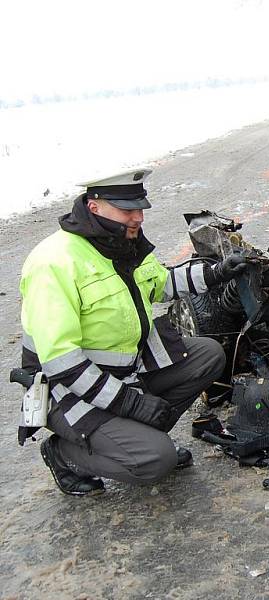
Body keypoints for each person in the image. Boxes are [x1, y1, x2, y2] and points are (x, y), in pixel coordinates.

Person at [18, 168, 247, 496]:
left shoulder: (122, 242)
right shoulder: (54, 262)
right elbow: (62, 363)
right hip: (67, 389)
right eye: (128, 210)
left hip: (125, 370)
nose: (138, 217)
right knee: (156, 462)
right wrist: (131, 404)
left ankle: (141, 437)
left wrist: (216, 273)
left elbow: (161, 284)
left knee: (208, 355)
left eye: (139, 208)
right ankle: (67, 454)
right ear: (94, 206)